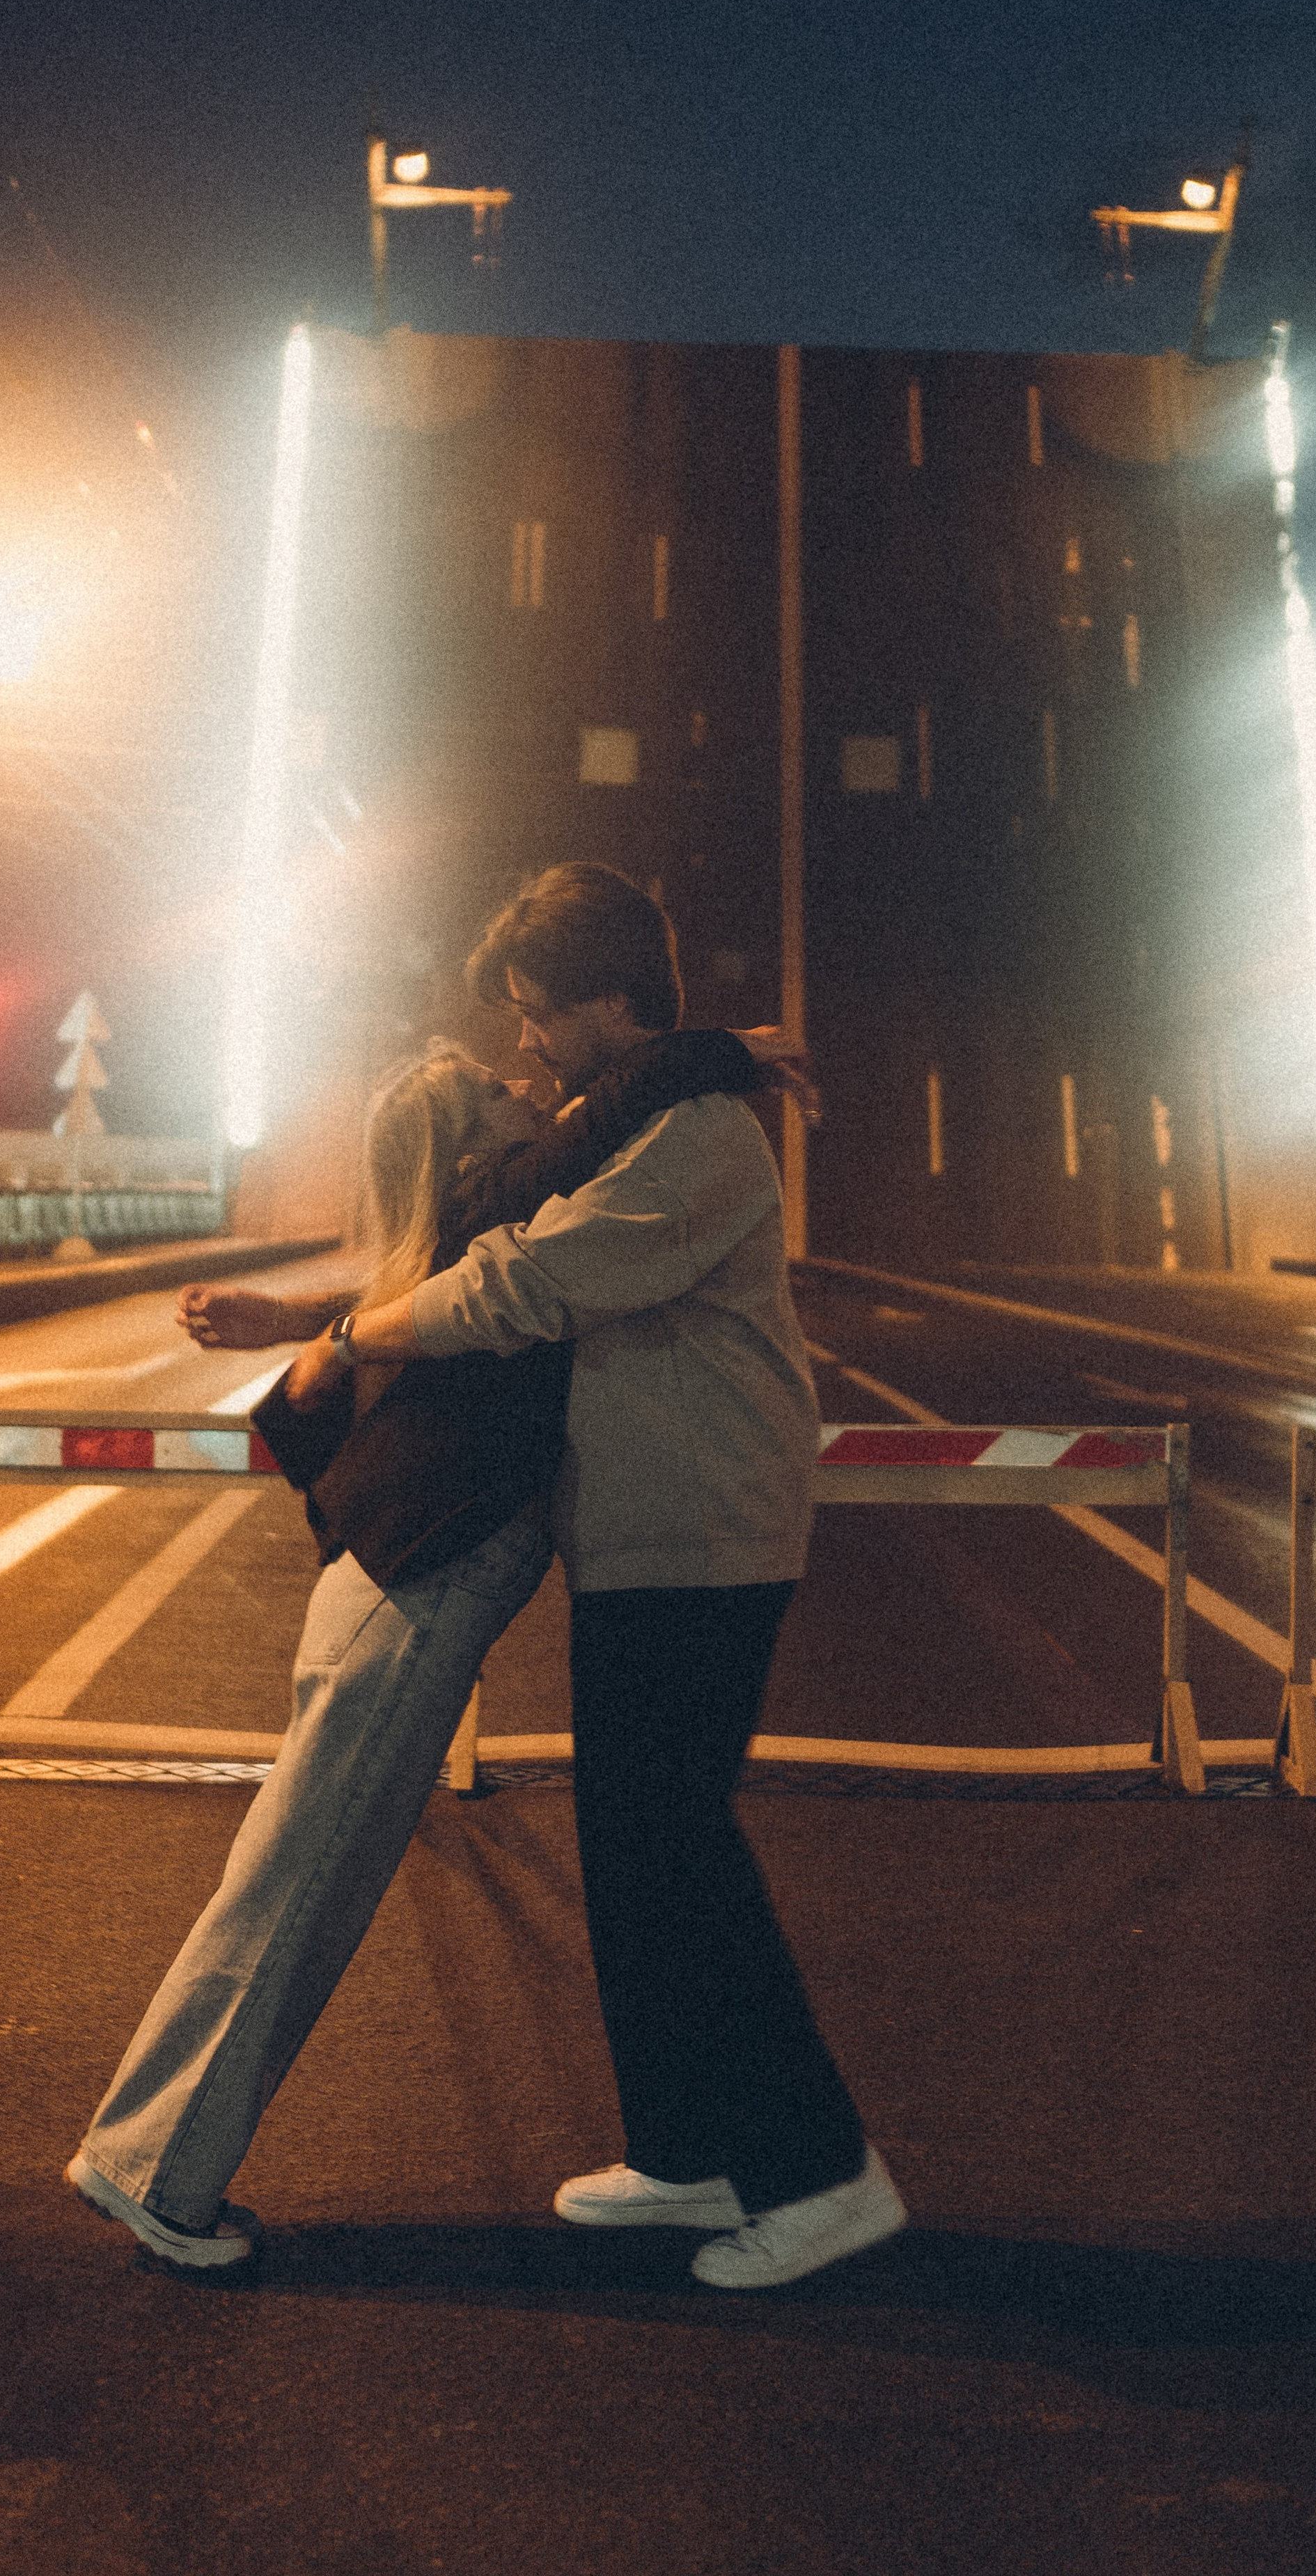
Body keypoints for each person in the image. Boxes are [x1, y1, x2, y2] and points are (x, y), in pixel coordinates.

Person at [65, 1017, 779, 2270]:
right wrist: (712, 1048)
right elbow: (559, 1178)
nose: (530, 1085)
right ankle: (153, 2169)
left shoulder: (468, 1227)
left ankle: (149, 2159)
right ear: (466, 1149)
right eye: (498, 1089)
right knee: (303, 1877)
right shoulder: (492, 1229)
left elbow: (563, 1149)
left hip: (401, 1576)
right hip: (420, 1577)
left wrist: (304, 1318)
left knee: (296, 1864)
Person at [316, 863, 906, 2290]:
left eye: (537, 1015)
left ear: (605, 1002)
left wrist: (348, 1337)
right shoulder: (653, 1104)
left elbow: (530, 1276)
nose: (525, 1047)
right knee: (634, 1853)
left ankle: (822, 2174)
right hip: (643, 1534)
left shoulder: (695, 1140)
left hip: (702, 1536)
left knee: (680, 1854)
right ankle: (686, 2152)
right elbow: (524, 1176)